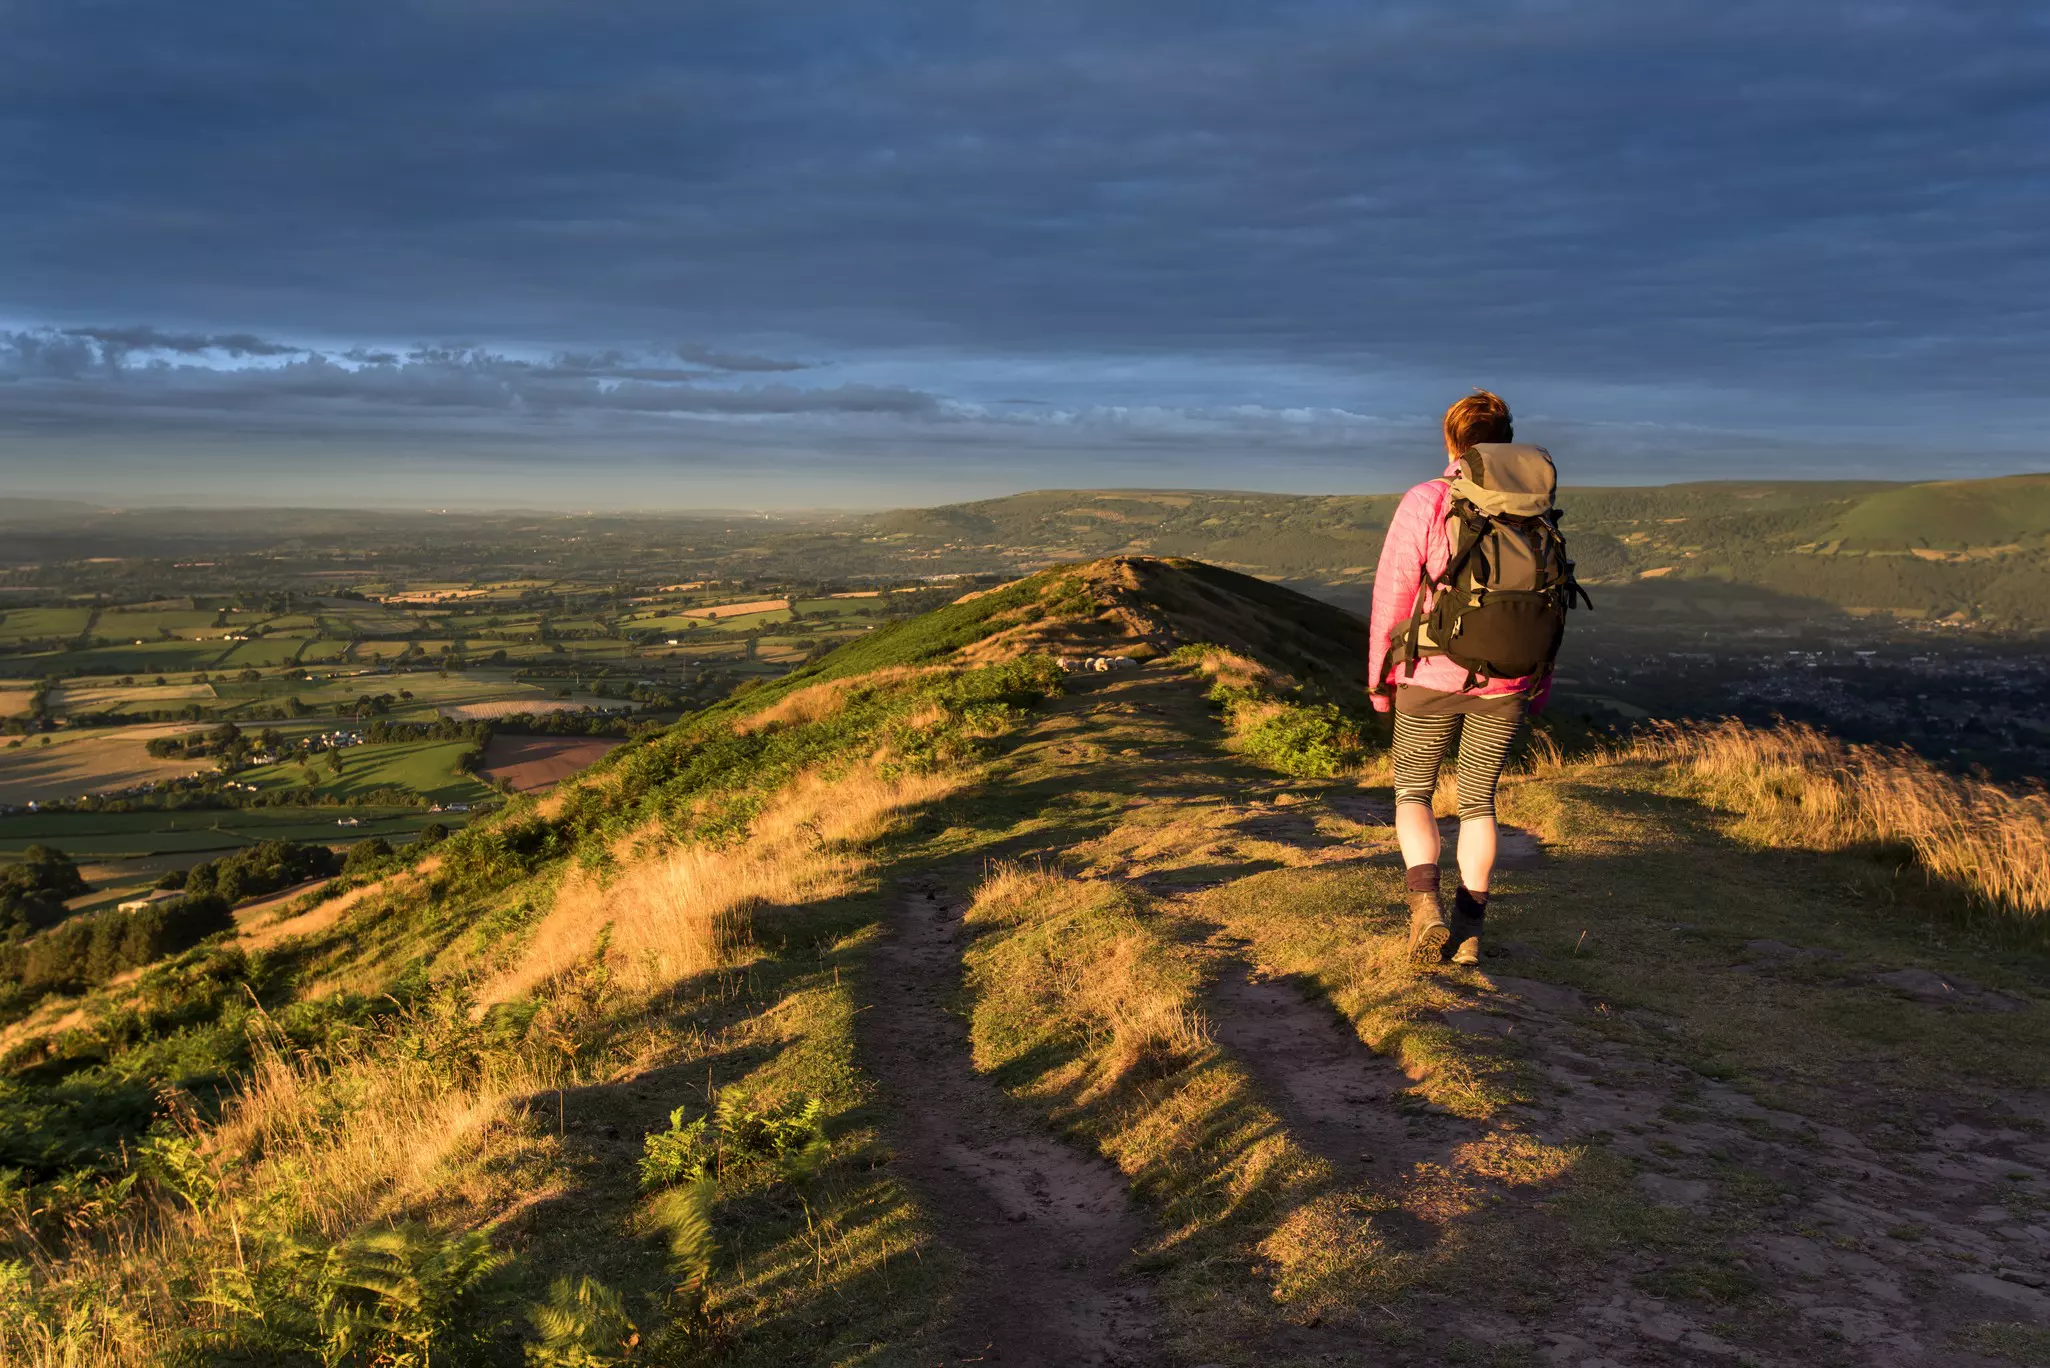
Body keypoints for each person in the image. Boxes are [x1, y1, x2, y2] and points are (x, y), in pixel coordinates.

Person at [1366, 390, 1551, 966]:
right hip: (1508, 681)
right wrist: (1538, 681)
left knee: (1413, 791)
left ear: (1453, 440)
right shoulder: (1535, 509)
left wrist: (1380, 677)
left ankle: (1426, 910)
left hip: (1430, 673)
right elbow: (1548, 603)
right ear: (1507, 437)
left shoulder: (1428, 499)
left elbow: (1394, 595)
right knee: (1479, 802)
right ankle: (1470, 929)